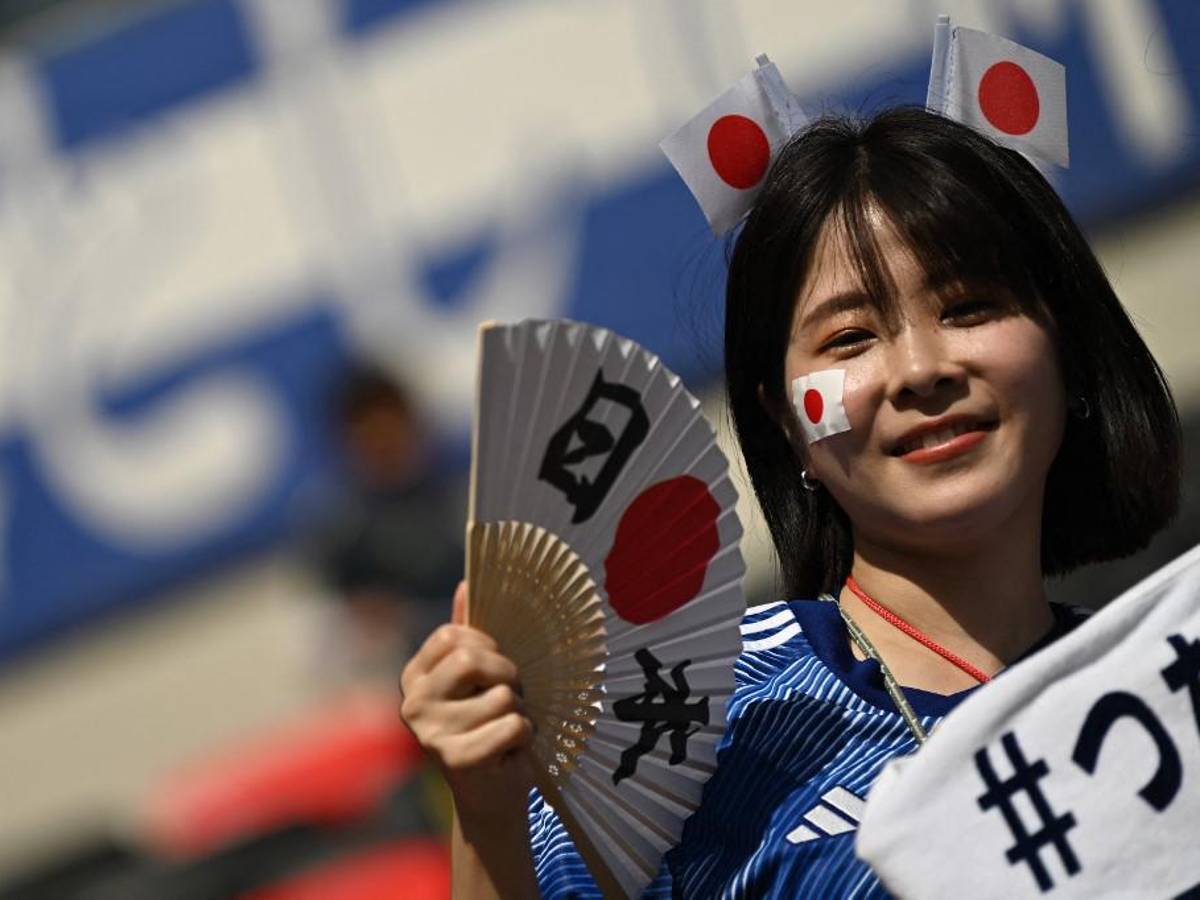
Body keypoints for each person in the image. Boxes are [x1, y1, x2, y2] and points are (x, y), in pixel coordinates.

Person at [398, 107, 1182, 897]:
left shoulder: (1168, 683)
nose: (919, 370)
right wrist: (487, 813)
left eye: (968, 306)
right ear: (784, 421)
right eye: (849, 338)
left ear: (1068, 347)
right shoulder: (686, 719)